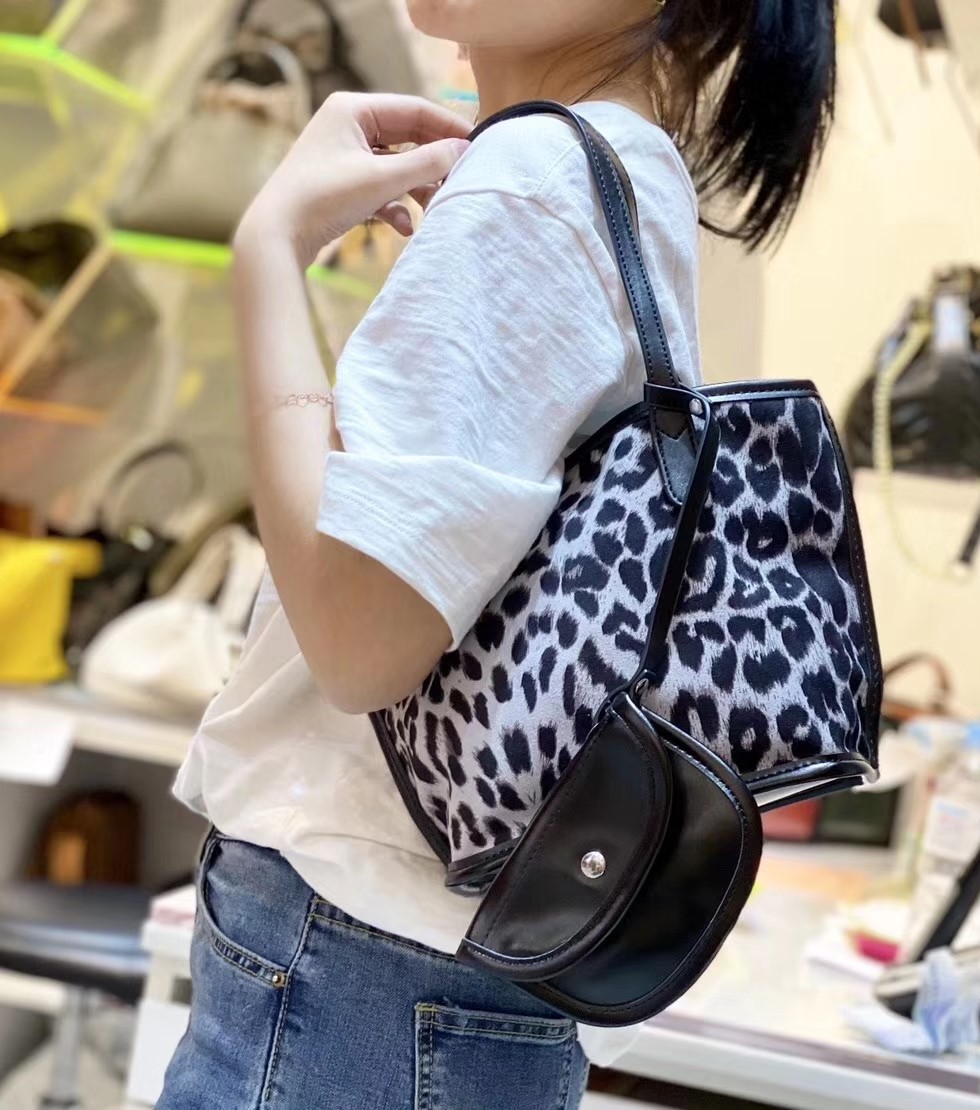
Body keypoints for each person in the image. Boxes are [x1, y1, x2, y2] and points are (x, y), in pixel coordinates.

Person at [160, 0, 837, 1106]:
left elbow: (355, 639)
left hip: (357, 967)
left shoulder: (537, 178)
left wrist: (271, 249)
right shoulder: (616, 170)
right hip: (438, 963)